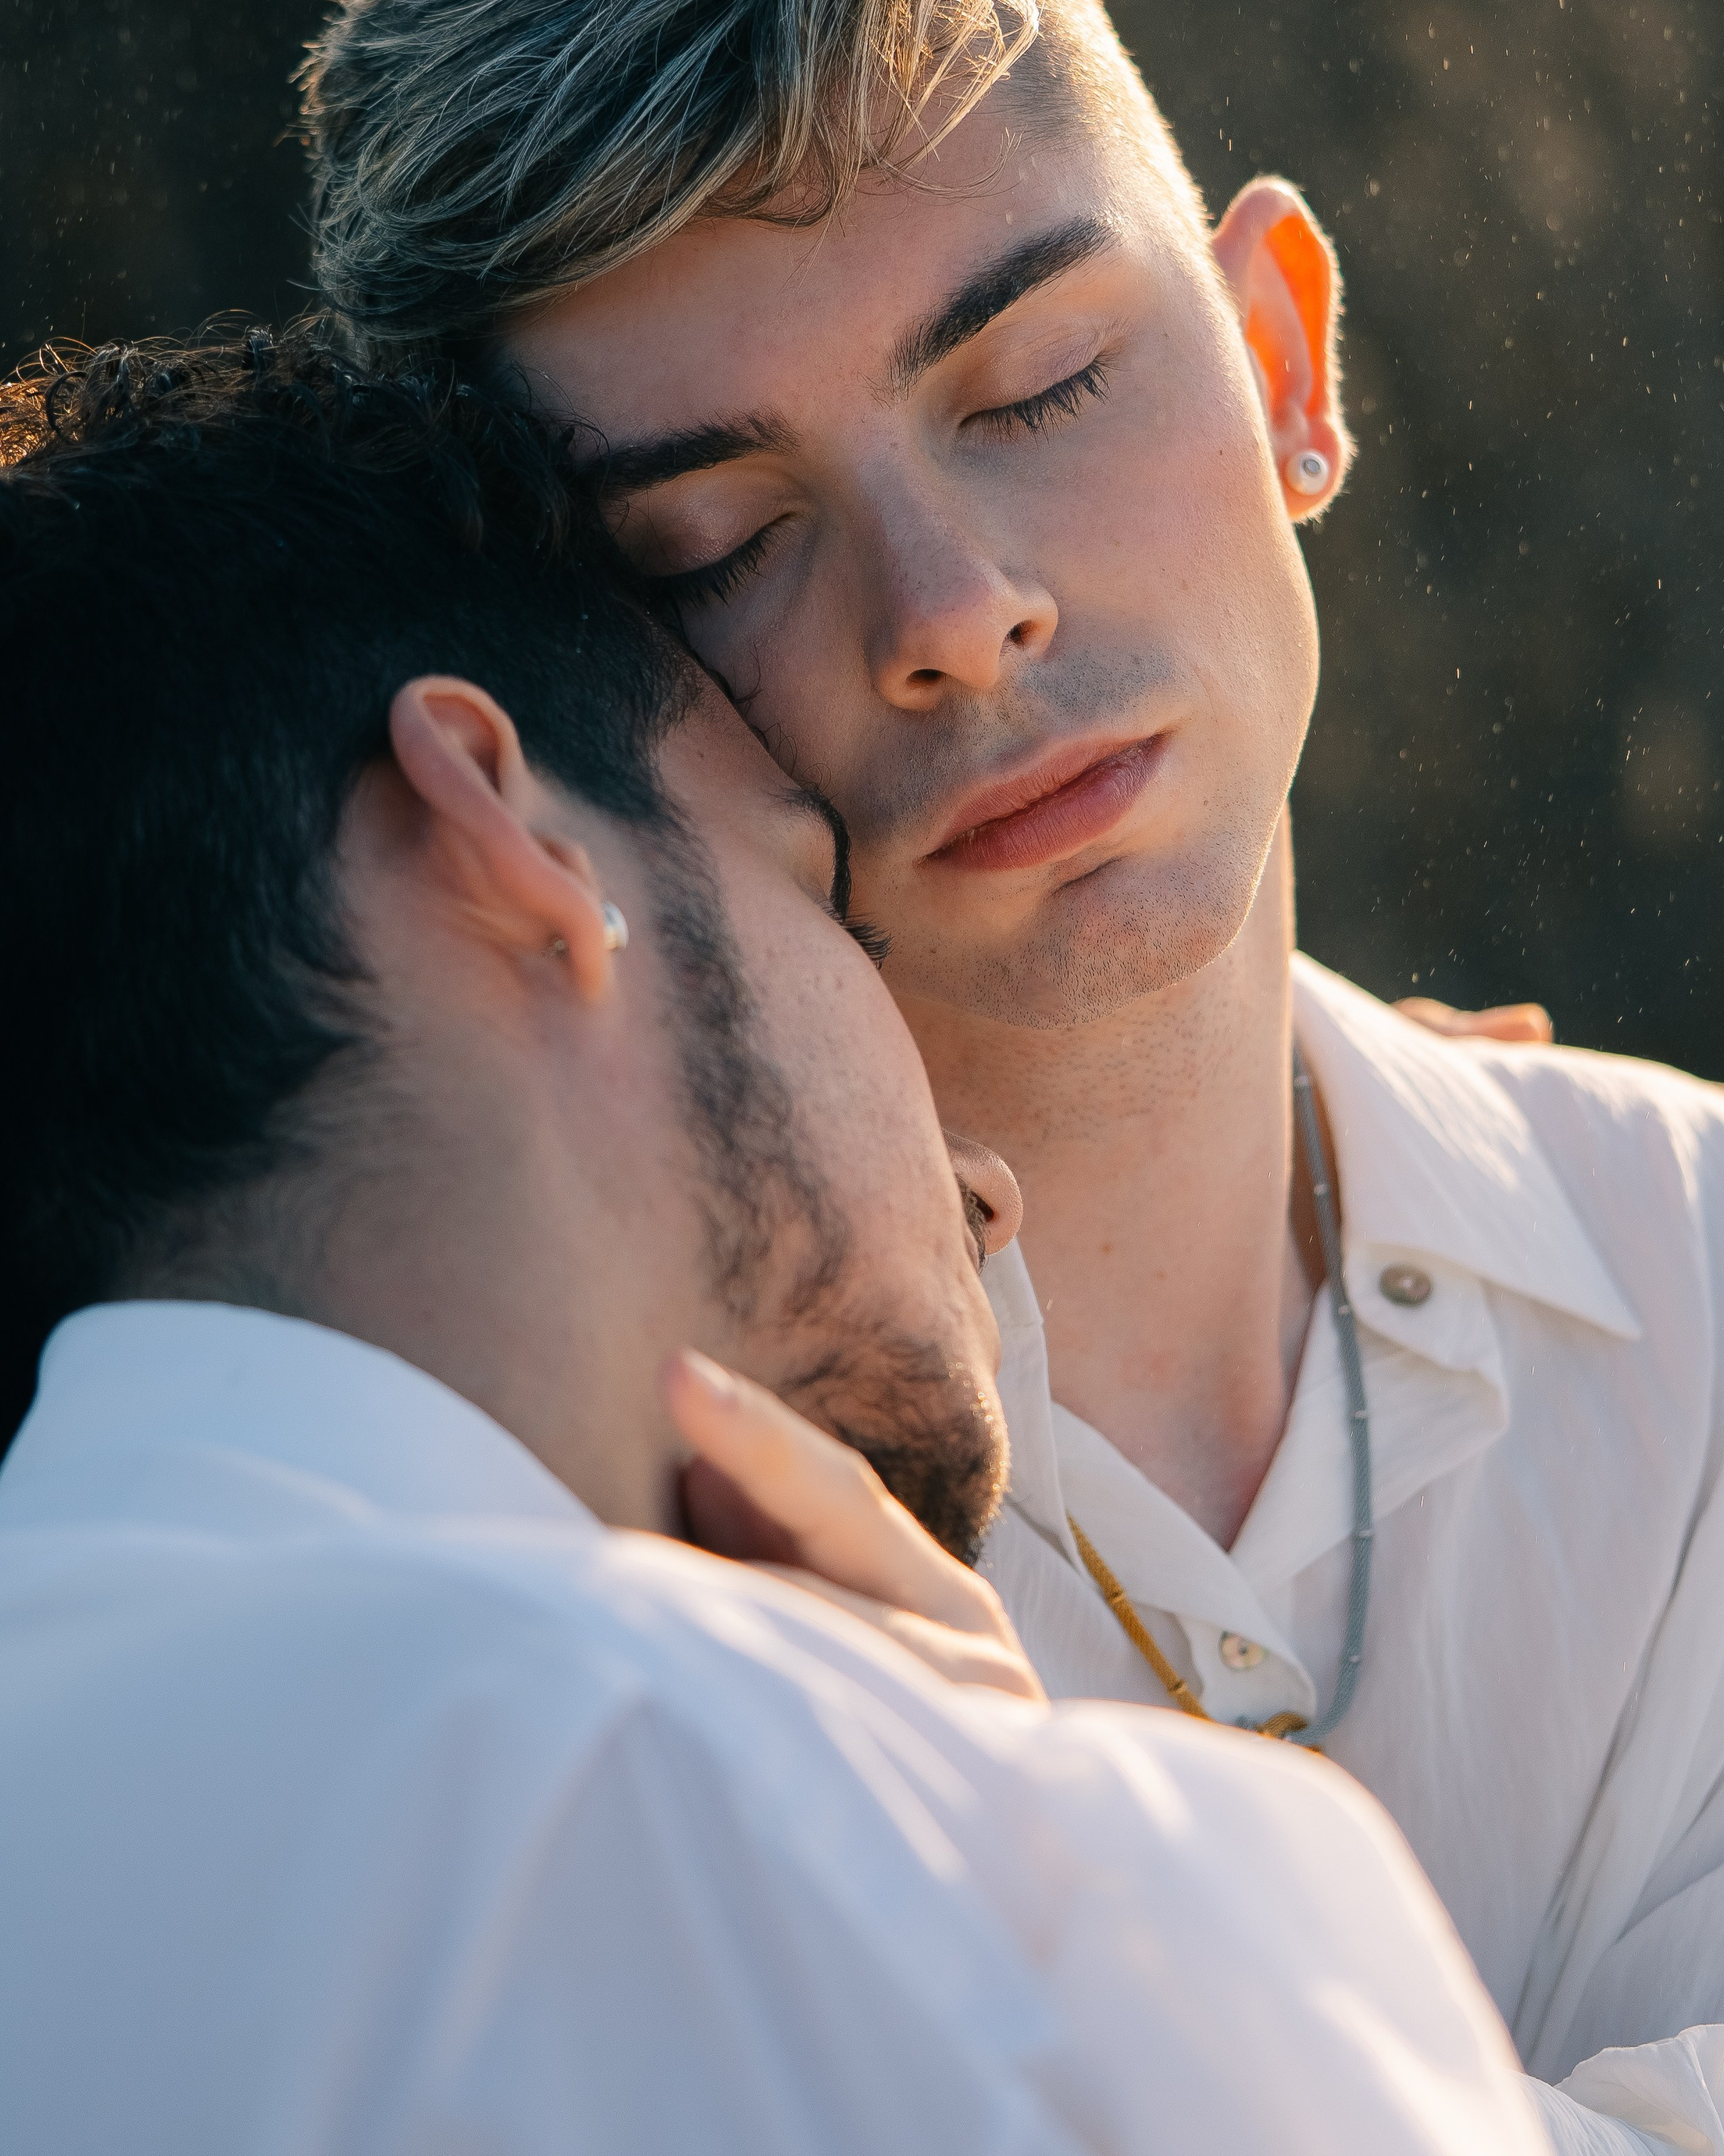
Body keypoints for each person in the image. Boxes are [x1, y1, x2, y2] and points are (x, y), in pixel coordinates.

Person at [296, 0, 1724, 2152]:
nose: (956, 613)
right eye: (717, 542)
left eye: (1042, 382)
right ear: (556, 719)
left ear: (1291, 363)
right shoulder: (540, 1519)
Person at [0, 329, 1567, 2155]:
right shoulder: (766, 1843)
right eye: (816, 888)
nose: (980, 1180)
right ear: (502, 830)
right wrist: (1039, 1857)